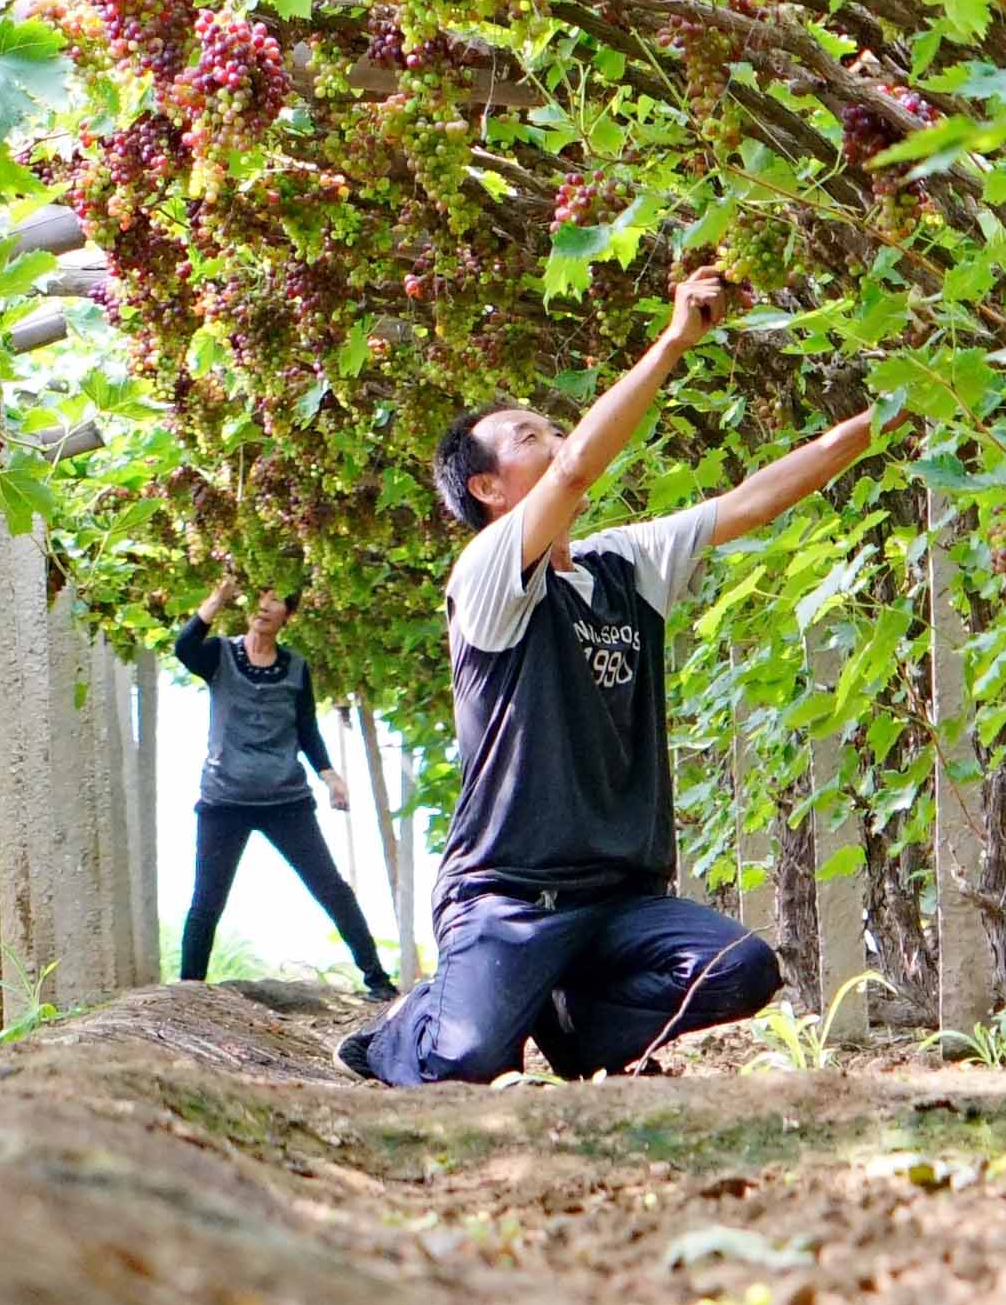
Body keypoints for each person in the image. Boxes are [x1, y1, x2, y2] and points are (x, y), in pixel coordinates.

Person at [343, 258, 881, 1085]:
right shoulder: (488, 576)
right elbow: (576, 473)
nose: (553, 440)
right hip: (507, 896)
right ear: (487, 487)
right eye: (528, 436)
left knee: (741, 967)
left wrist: (880, 422)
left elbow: (752, 501)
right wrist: (672, 341)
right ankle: (406, 1030)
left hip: (615, 901)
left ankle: (572, 1025)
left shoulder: (622, 564)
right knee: (462, 1064)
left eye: (552, 427)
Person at [173, 594, 400, 996]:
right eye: (258, 599)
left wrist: (330, 776)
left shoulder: (295, 668)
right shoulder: (219, 655)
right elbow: (184, 649)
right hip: (225, 799)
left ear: (287, 616)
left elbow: (307, 727)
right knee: (207, 900)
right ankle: (189, 992)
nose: (263, 606)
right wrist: (214, 601)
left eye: (274, 601)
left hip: (285, 800)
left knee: (331, 888)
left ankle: (378, 981)